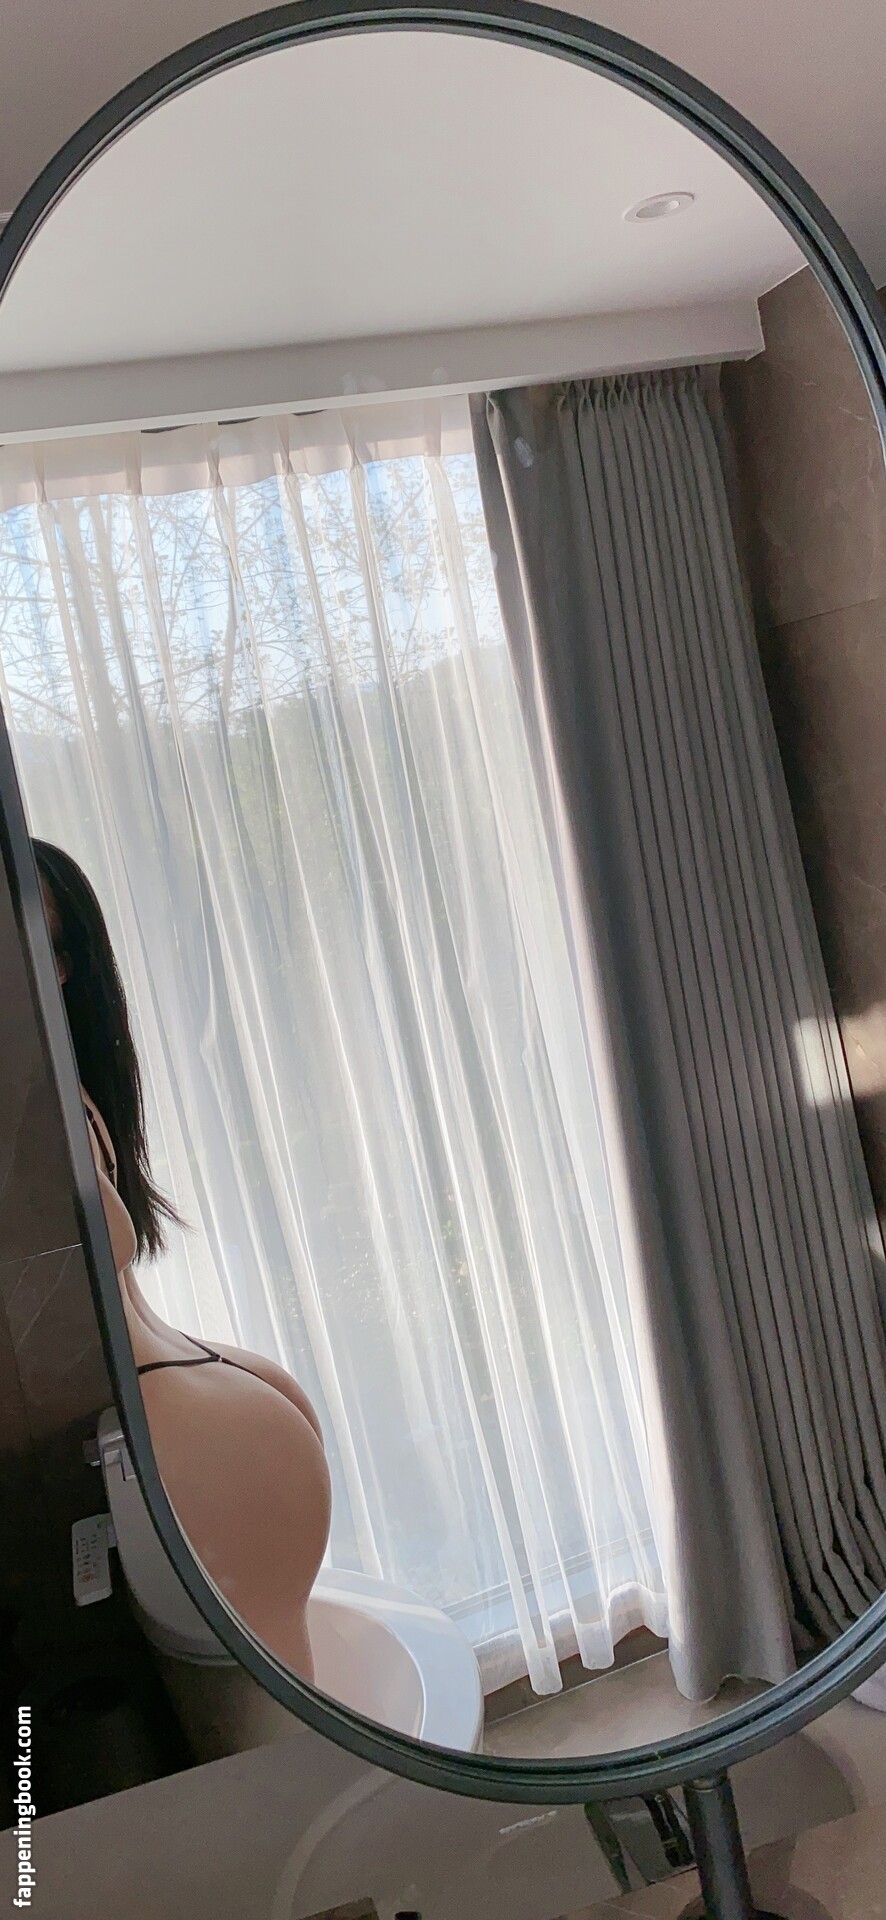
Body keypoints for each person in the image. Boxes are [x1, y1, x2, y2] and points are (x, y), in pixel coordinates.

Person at [32, 839, 331, 1684]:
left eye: (50, 948)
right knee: (272, 1706)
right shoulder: (41, 1094)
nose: (41, 972)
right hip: (181, 1421)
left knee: (275, 1703)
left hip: (187, 1415)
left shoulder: (54, 1088)